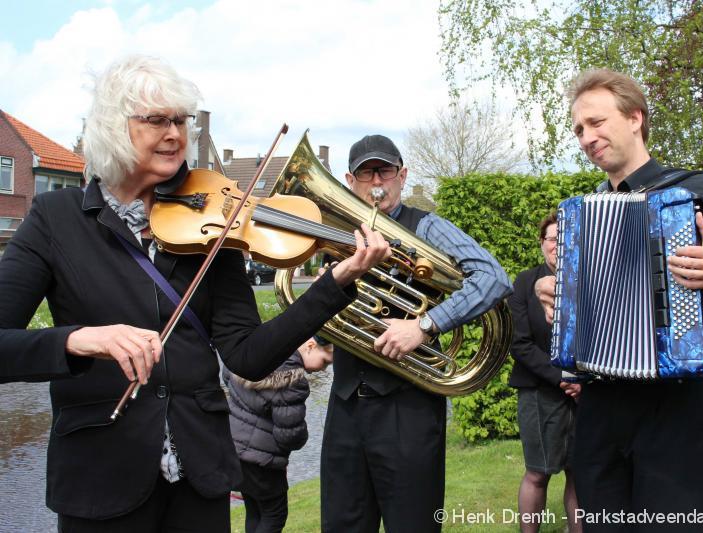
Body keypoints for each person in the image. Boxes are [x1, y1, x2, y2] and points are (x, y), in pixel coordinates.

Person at [0, 54, 389, 532]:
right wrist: (79, 340)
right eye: (157, 120)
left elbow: (248, 356)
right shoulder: (54, 219)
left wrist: (335, 283)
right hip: (101, 477)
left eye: (181, 120)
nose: (175, 134)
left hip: (200, 480)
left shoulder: (213, 222)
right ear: (112, 127)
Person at [534, 69, 703, 532]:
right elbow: (576, 301)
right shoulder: (582, 212)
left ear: (635, 118)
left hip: (679, 408)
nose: (587, 137)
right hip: (600, 404)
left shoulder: (702, 193)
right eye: (579, 129)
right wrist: (553, 294)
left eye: (597, 122)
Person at [319, 134, 513, 532]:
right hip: (345, 407)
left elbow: (493, 277)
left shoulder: (427, 226)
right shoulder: (338, 234)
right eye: (366, 173)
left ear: (402, 176)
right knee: (341, 524)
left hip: (407, 409)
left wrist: (425, 325)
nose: (376, 182)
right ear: (349, 181)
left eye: (385, 171)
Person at [508, 212, 581, 533]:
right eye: (552, 238)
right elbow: (519, 344)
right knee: (538, 473)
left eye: (565, 239)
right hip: (539, 393)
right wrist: (563, 378)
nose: (558, 245)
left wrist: (584, 381)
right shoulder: (524, 283)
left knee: (579, 473)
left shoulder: (586, 279)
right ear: (542, 243)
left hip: (584, 394)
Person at [224, 337, 335, 533]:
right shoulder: (292, 380)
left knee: (254, 509)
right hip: (263, 460)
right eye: (325, 361)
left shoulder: (259, 352)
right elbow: (290, 435)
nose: (323, 369)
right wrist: (302, 436)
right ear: (310, 346)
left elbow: (227, 375)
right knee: (274, 514)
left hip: (234, 448)